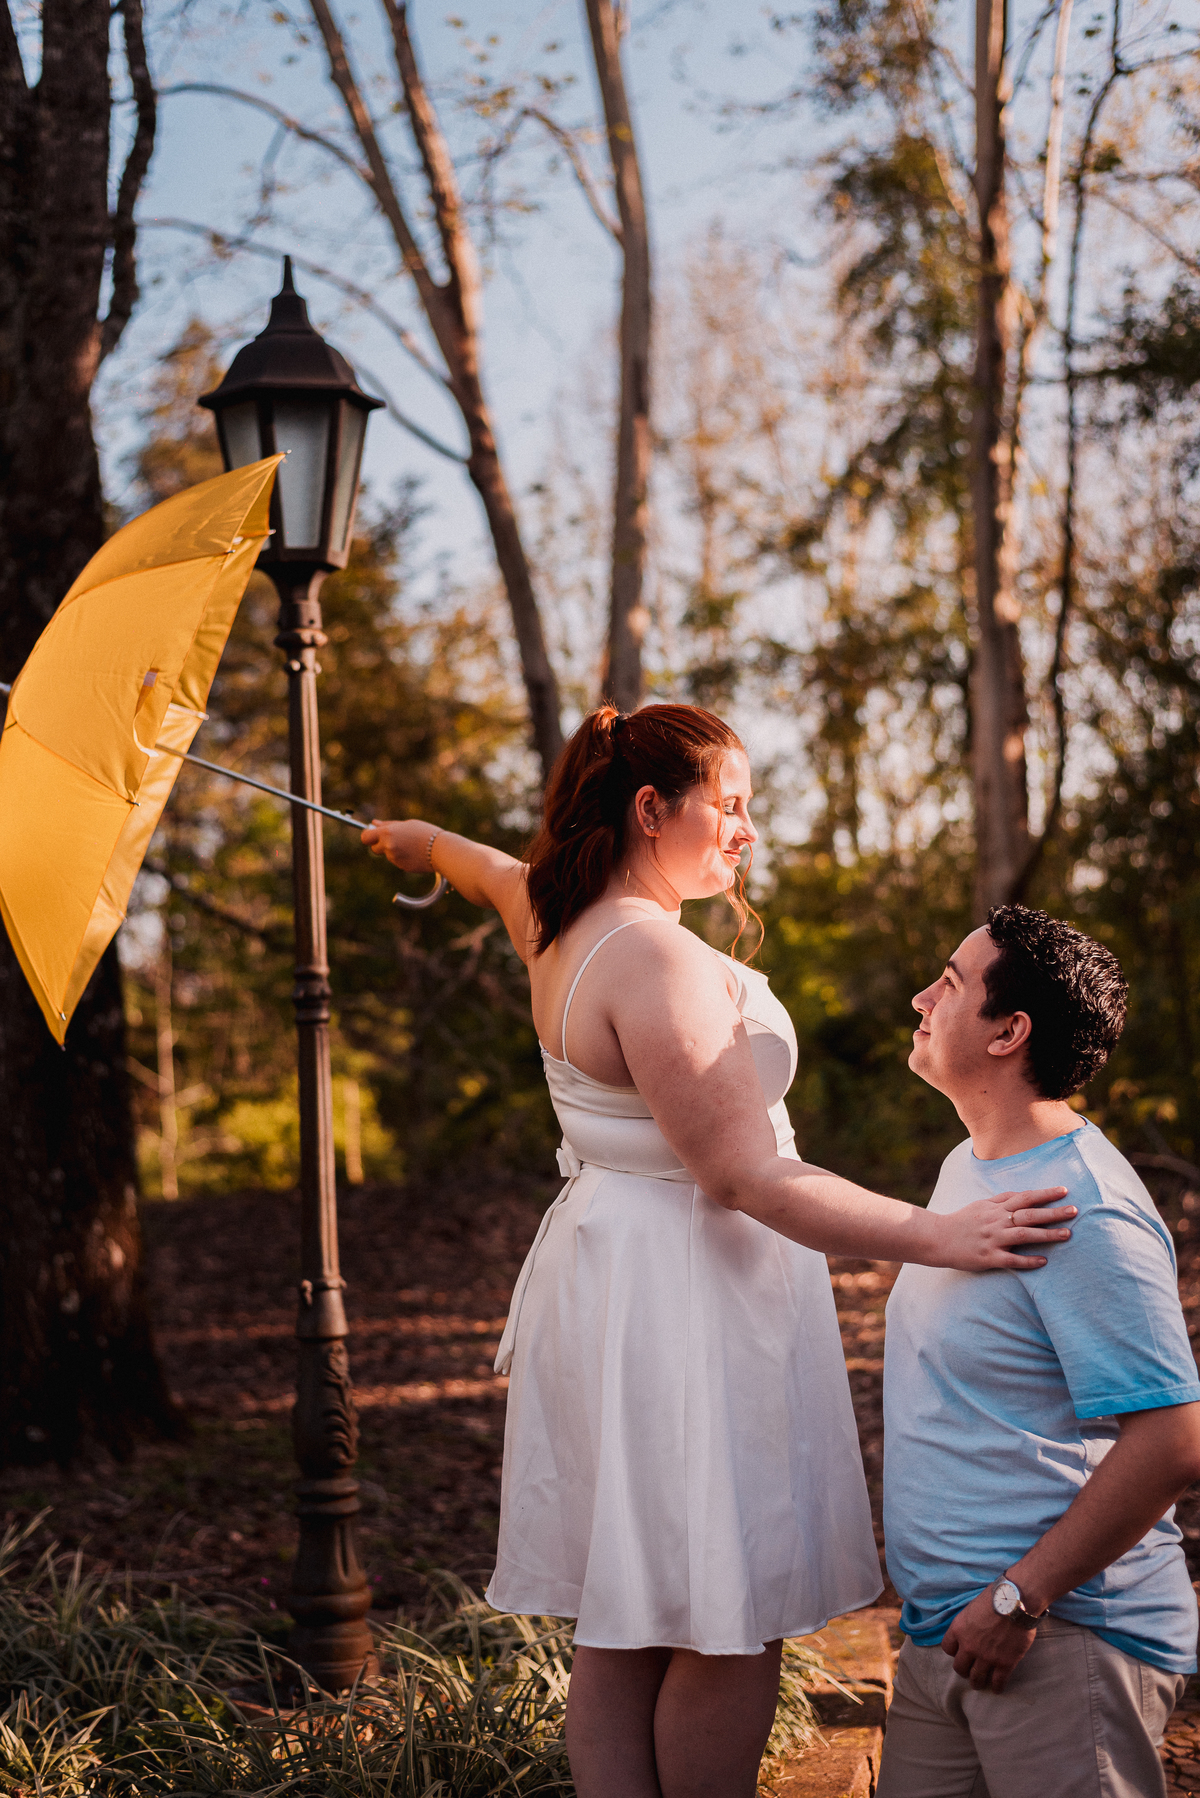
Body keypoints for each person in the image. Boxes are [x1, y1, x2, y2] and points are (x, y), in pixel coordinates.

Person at [362, 705, 1074, 1798]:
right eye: (729, 805)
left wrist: (423, 843)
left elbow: (489, 870)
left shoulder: (553, 915)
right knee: (722, 1614)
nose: (747, 830)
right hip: (687, 1302)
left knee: (627, 1610)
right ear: (650, 810)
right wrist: (940, 1235)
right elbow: (748, 1178)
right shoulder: (654, 958)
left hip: (614, 1282)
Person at [878, 905, 1200, 1798]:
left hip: (1059, 1637)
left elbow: (1173, 1441)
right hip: (947, 1634)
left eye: (948, 984)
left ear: (1007, 1032)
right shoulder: (971, 1165)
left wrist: (1018, 1599)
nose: (922, 998)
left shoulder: (1083, 1208)